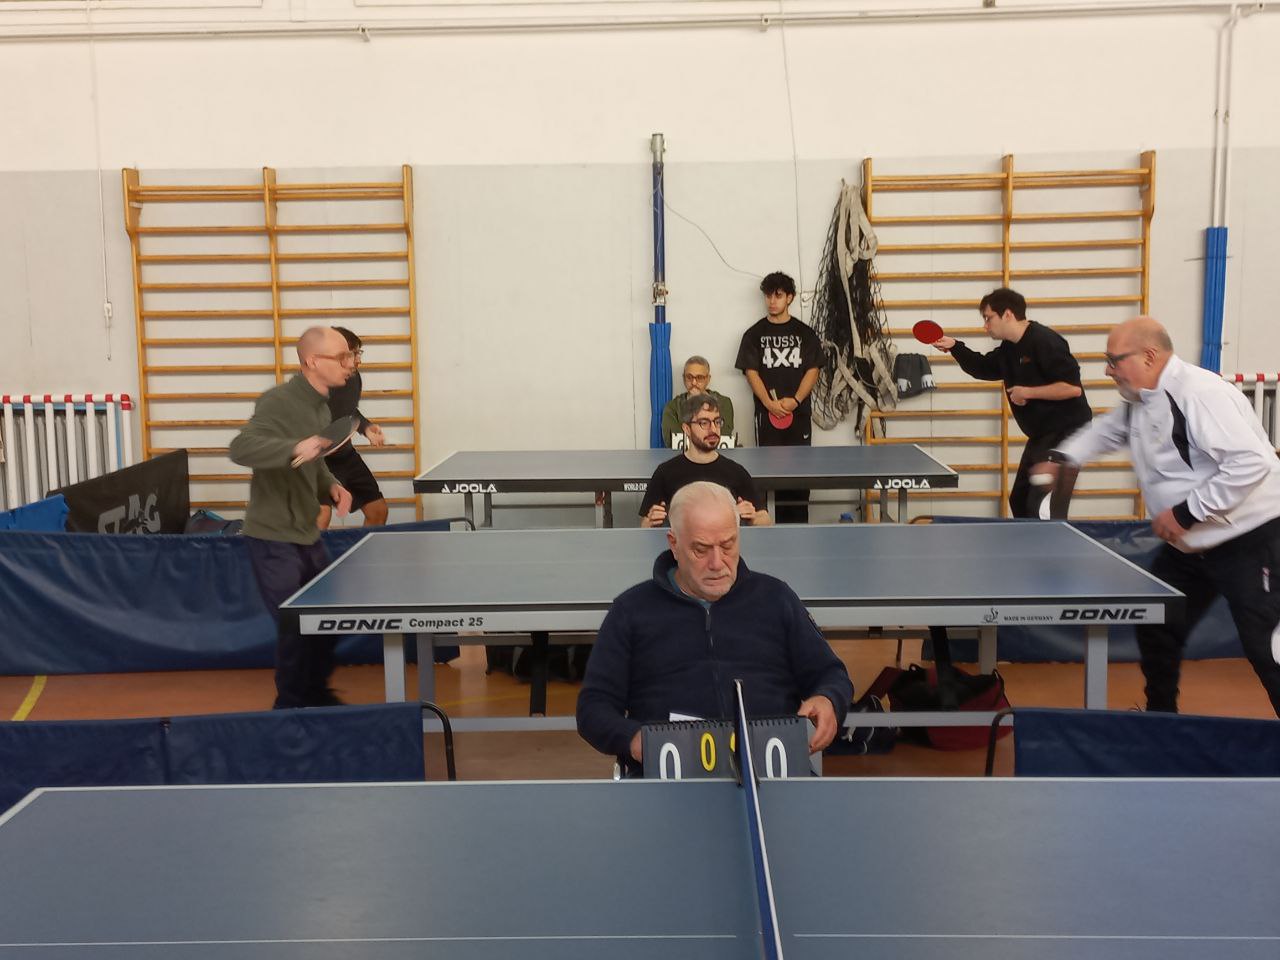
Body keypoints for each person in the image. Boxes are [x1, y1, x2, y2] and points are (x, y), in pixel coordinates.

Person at [1038, 316, 1280, 716]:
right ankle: (1161, 718)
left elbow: (1252, 463)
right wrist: (1065, 458)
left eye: (1114, 360)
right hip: (1191, 547)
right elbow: (1107, 431)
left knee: (1266, 648)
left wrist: (1186, 513)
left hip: (1250, 541)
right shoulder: (1142, 399)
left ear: (1150, 356)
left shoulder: (1200, 393)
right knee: (1158, 625)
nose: (1108, 370)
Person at [577, 481, 852, 769]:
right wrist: (633, 739)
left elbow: (830, 674)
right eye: (701, 549)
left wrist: (828, 699)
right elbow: (593, 707)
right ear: (674, 544)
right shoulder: (630, 611)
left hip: (773, 769)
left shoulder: (776, 598)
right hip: (670, 774)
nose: (717, 563)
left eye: (728, 545)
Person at [229, 326, 354, 709]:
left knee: (326, 619)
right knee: (296, 626)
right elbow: (241, 447)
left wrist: (331, 485)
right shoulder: (278, 402)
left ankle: (315, 693)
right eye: (342, 357)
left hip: (305, 533)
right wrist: (293, 447)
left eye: (351, 356)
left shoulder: (321, 406)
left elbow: (314, 460)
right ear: (312, 361)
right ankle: (291, 706)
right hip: (272, 537)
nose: (350, 364)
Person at [931, 287, 1092, 518]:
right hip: (1043, 434)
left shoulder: (1045, 341)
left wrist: (1028, 392)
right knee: (1020, 500)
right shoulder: (1010, 348)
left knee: (1042, 506)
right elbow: (983, 368)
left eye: (988, 318)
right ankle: (1031, 542)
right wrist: (955, 346)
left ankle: (1052, 542)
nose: (985, 326)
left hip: (1069, 434)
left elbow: (1072, 388)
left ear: (1007, 314)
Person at [735, 271, 822, 523]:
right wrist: (768, 403)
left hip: (798, 417)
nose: (772, 301)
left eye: (778, 295)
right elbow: (751, 372)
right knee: (767, 477)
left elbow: (813, 370)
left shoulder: (805, 334)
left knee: (799, 478)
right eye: (768, 296)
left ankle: (798, 530)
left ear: (790, 298)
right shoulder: (753, 335)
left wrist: (795, 400)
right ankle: (767, 528)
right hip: (767, 418)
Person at [640, 393, 771, 528]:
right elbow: (645, 524)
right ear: (687, 429)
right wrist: (651, 521)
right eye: (704, 423)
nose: (713, 429)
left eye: (717, 422)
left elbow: (765, 519)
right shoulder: (665, 473)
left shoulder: (736, 472)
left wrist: (753, 518)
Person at [317, 326, 388, 529]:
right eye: (354, 353)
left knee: (377, 511)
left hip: (344, 457)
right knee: (321, 515)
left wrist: (366, 428)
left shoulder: (353, 378)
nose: (359, 360)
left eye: (359, 353)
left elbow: (347, 410)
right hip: (315, 462)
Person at [660, 355, 735, 447]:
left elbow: (723, 437)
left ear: (708, 379)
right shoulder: (672, 408)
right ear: (683, 378)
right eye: (689, 377)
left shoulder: (724, 403)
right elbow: (674, 441)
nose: (694, 382)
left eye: (699, 377)